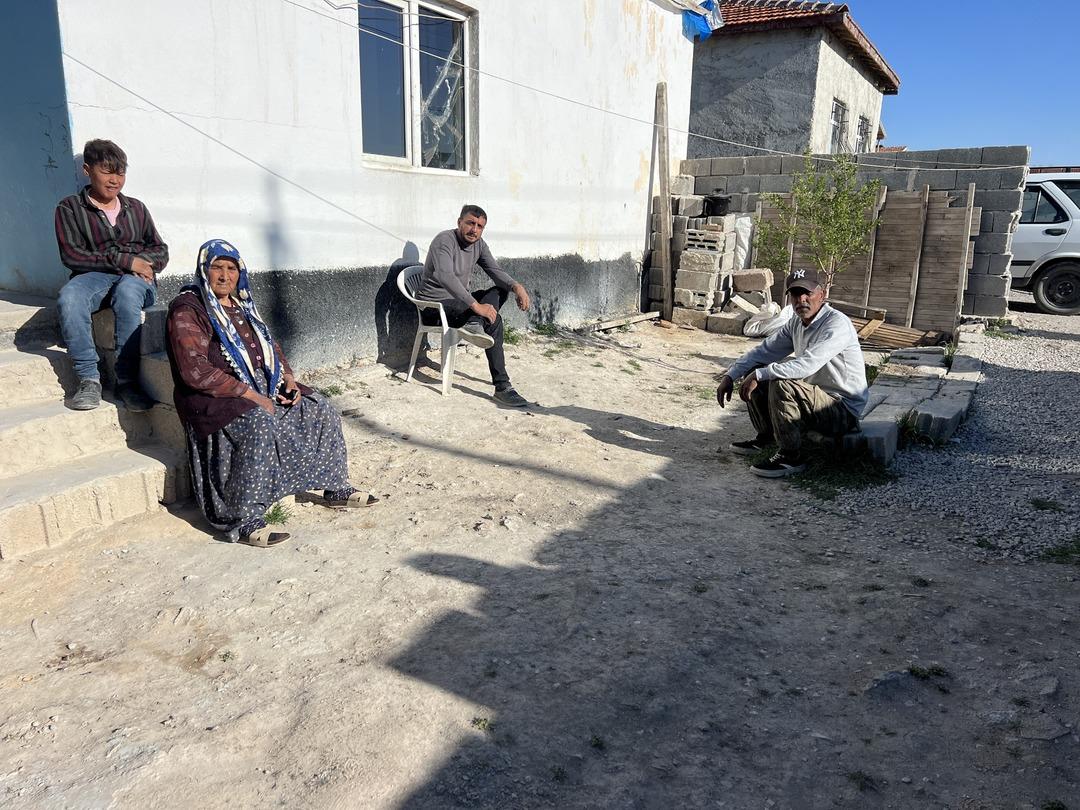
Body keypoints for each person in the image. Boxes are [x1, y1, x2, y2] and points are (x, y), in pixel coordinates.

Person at [166, 239, 377, 547]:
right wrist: (252, 396)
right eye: (217, 268)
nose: (224, 276)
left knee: (318, 406)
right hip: (213, 396)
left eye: (232, 269)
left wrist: (287, 378)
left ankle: (335, 487)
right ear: (203, 270)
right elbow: (194, 370)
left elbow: (270, 346)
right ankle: (245, 519)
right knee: (258, 421)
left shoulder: (241, 305)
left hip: (258, 385)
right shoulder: (189, 310)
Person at [716, 267, 868, 478]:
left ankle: (791, 457)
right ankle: (767, 437)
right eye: (796, 294)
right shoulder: (796, 323)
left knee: (779, 381)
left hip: (842, 409)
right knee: (757, 369)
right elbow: (763, 351)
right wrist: (731, 375)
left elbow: (808, 364)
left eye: (807, 293)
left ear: (822, 295)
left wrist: (761, 374)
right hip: (816, 399)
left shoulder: (836, 323)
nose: (801, 300)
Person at [55, 139, 168, 412]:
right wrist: (126, 261)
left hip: (136, 281)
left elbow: (160, 250)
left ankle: (127, 381)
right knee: (70, 297)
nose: (115, 180)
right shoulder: (70, 208)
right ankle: (89, 379)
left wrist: (143, 265)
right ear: (87, 170)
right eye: (107, 172)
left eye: (120, 173)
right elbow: (72, 255)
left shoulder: (136, 208)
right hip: (94, 277)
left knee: (127, 293)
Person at [417, 205, 532, 406]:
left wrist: (516, 286)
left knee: (499, 293)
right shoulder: (444, 240)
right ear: (459, 222)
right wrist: (476, 306)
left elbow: (495, 271)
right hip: (434, 308)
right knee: (491, 318)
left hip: (460, 304)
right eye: (470, 223)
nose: (474, 230)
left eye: (480, 226)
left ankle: (502, 386)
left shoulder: (479, 245)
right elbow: (445, 276)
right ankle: (501, 383)